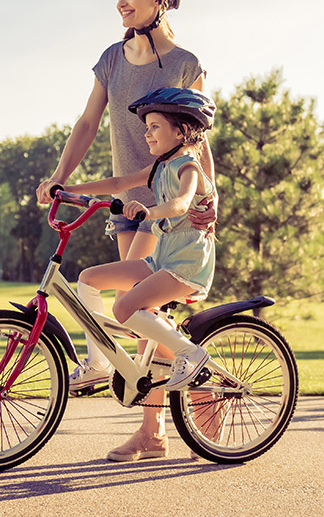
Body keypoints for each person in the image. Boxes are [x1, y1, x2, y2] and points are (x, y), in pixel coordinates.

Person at [36, 0, 217, 393]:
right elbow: (86, 123)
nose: (121, 1)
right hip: (130, 201)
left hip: (169, 206)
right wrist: (61, 177)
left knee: (132, 308)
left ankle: (190, 391)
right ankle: (163, 417)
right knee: (137, 317)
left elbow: (198, 140)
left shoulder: (184, 64)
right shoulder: (112, 60)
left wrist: (211, 201)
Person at [60, 87, 217, 462]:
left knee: (126, 308)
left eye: (154, 127)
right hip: (161, 258)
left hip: (186, 264)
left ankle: (190, 355)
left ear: (180, 132)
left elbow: (181, 202)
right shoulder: (160, 165)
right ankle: (98, 362)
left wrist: (151, 212)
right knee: (88, 279)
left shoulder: (188, 166)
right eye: (147, 127)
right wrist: (64, 189)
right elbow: (117, 184)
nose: (147, 134)